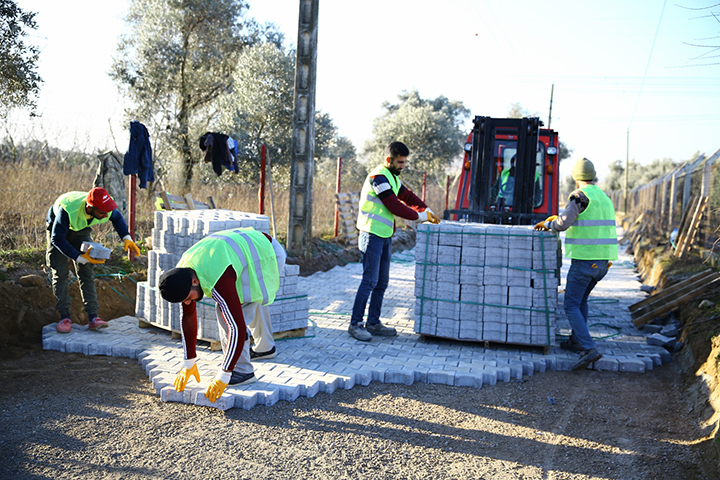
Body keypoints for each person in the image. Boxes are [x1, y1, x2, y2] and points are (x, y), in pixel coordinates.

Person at [158, 228, 286, 403]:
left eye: (188, 298)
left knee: (230, 310)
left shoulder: (219, 277)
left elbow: (237, 328)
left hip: (266, 255)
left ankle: (242, 371)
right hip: (259, 246)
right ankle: (266, 348)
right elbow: (188, 317)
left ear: (195, 282)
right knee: (251, 296)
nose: (188, 303)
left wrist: (224, 374)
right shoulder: (184, 273)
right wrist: (189, 362)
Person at [349, 141, 440, 342]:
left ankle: (373, 323)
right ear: (389, 159)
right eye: (400, 162)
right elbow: (394, 206)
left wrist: (426, 210)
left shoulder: (392, 177)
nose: (403, 166)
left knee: (382, 282)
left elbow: (407, 196)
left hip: (384, 235)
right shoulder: (378, 177)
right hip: (371, 234)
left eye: (405, 162)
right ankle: (355, 324)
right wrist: (420, 217)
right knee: (369, 280)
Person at [534, 157, 618, 370]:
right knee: (581, 301)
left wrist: (548, 224)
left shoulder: (580, 197)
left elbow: (563, 224)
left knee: (570, 304)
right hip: (602, 263)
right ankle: (576, 341)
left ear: (575, 177)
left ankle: (589, 349)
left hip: (585, 261)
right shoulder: (604, 197)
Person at [47, 187, 142, 333]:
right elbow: (57, 238)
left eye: (106, 212)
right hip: (58, 230)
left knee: (86, 273)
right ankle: (64, 317)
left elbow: (116, 217)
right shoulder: (66, 211)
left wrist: (126, 238)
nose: (105, 215)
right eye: (102, 213)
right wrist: (78, 257)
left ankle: (93, 317)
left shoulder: (103, 207)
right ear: (90, 208)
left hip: (81, 230)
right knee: (60, 273)